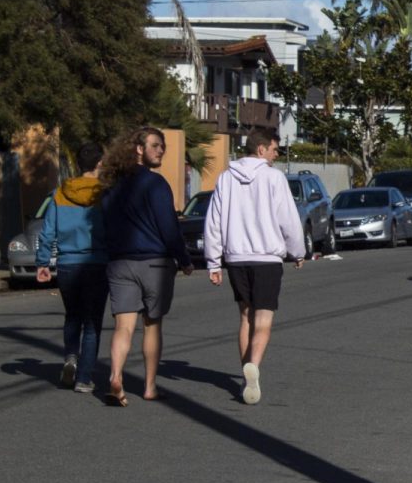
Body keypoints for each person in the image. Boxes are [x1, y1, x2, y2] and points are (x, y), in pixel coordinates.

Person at [204, 128, 306, 405]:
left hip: (236, 258)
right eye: (274, 149)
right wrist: (298, 251)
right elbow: (289, 219)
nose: (276, 155)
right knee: (263, 319)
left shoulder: (225, 179)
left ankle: (247, 374)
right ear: (261, 149)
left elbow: (213, 222)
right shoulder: (274, 178)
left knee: (245, 318)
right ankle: (255, 367)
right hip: (267, 259)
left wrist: (213, 262)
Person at [101, 126, 193, 407]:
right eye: (155, 145)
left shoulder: (112, 185)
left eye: (162, 146)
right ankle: (149, 386)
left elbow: (103, 222)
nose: (161, 150)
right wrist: (184, 258)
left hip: (119, 262)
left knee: (122, 327)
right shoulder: (156, 184)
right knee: (152, 325)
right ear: (139, 149)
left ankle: (116, 375)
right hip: (154, 263)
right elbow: (168, 226)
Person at [35, 142, 109, 393]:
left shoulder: (60, 193)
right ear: (100, 163)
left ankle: (70, 358)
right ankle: (84, 378)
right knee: (92, 323)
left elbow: (47, 232)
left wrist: (43, 262)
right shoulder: (106, 193)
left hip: (67, 264)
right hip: (97, 262)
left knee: (73, 316)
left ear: (78, 164)